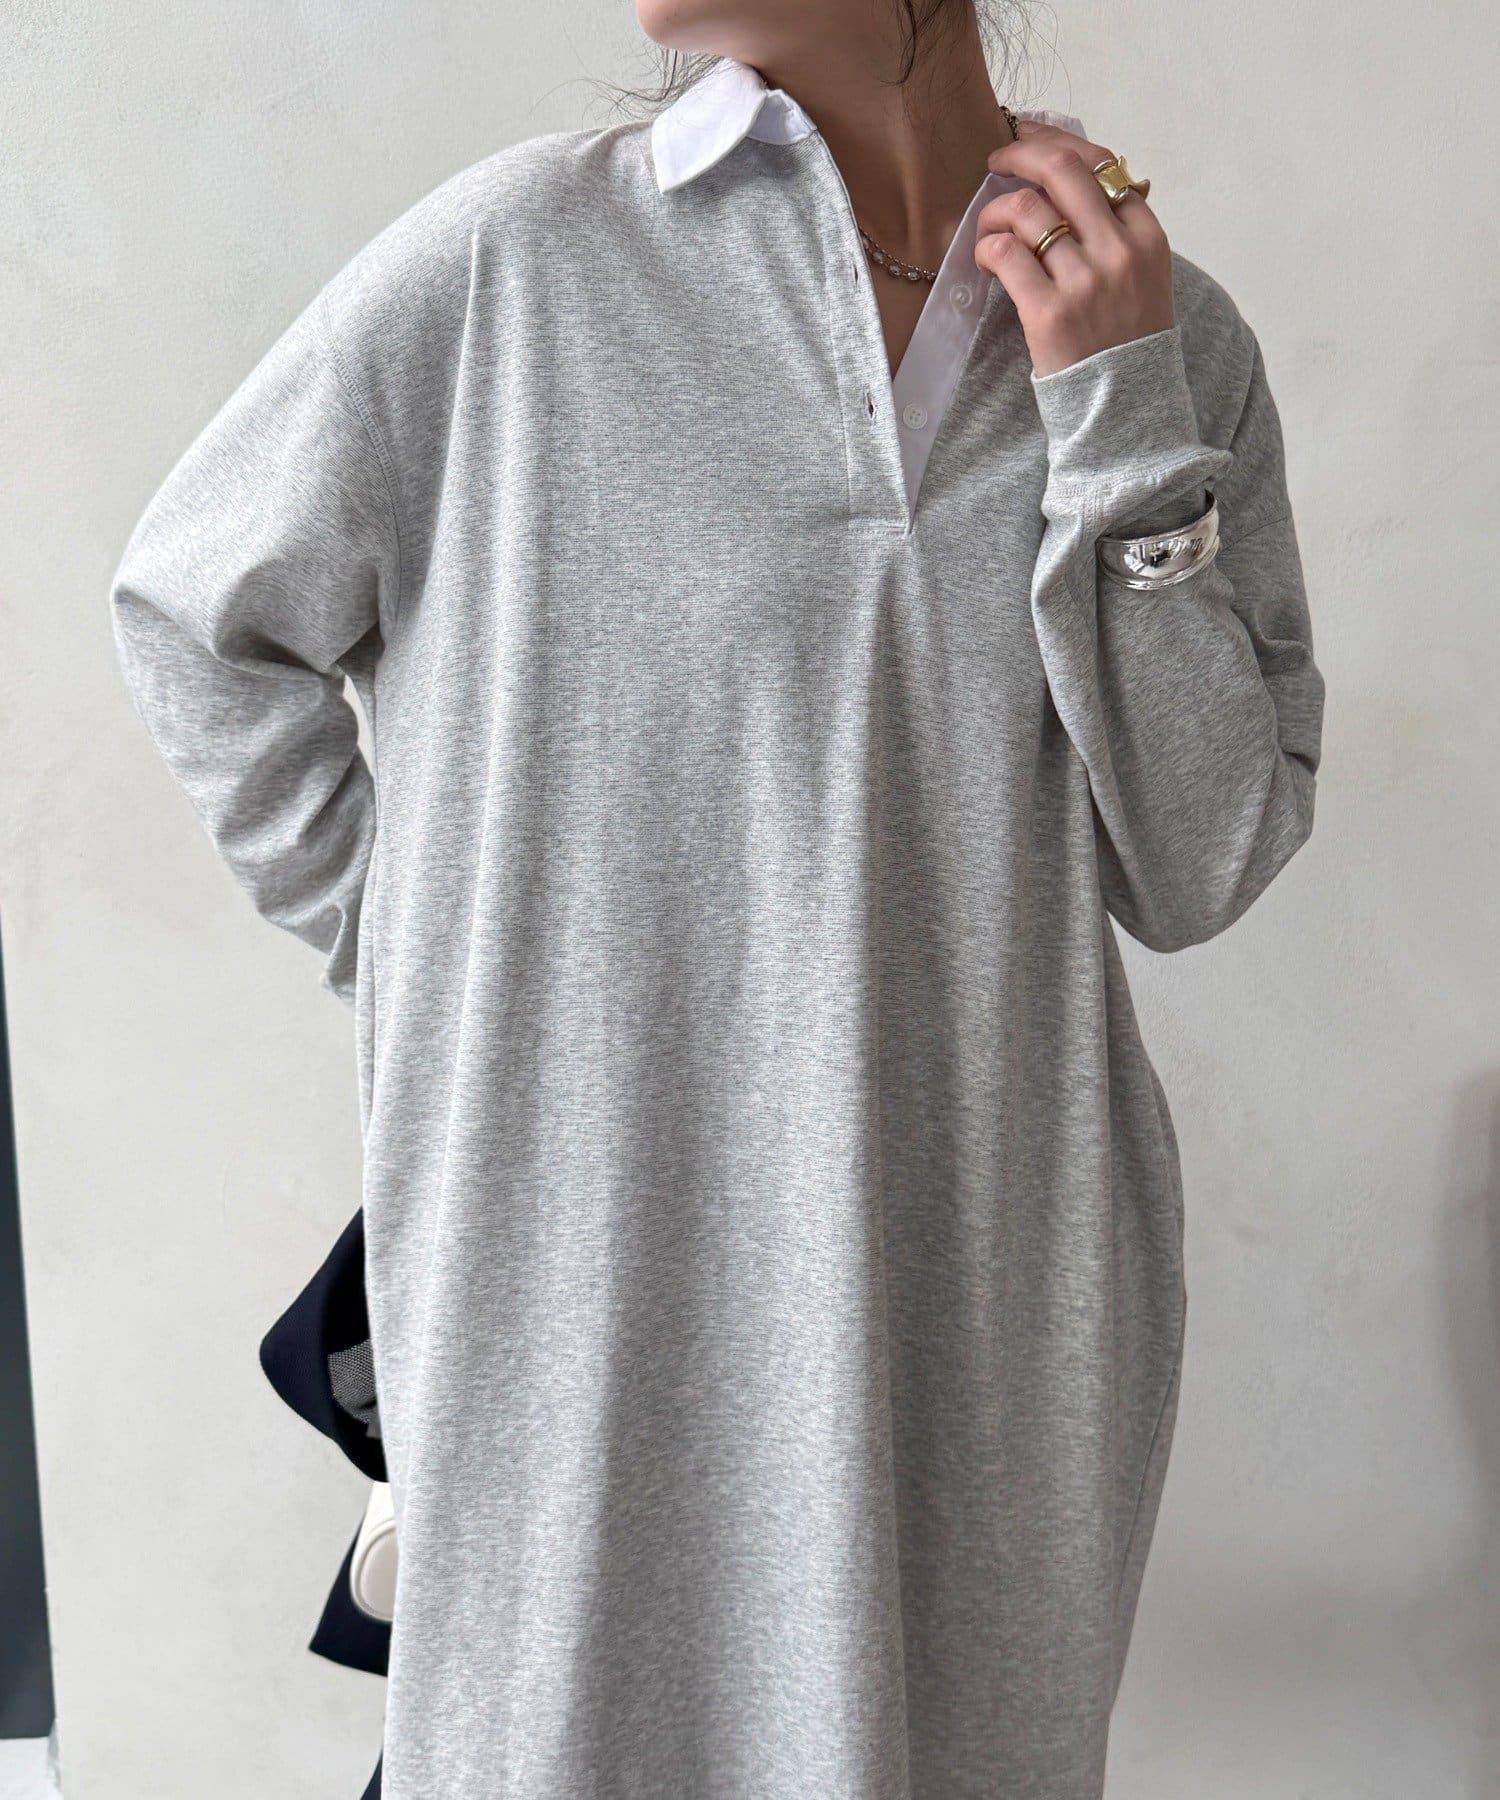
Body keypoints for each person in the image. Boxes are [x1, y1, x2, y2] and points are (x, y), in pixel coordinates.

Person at [109, 0, 1325, 1792]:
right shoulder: (522, 263)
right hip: (587, 1275)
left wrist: (1119, 421)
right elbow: (196, 615)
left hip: (994, 1301)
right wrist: (438, 958)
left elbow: (1203, 857)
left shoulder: (1169, 340)